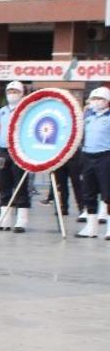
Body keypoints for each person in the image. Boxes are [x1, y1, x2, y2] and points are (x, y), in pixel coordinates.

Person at [0, 81, 31, 233]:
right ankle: (4, 219)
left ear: (21, 93)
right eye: (9, 91)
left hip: (19, 151)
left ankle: (22, 220)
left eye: (15, 91)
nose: (11, 94)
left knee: (20, 185)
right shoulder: (2, 111)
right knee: (4, 185)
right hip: (3, 150)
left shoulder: (26, 110)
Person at [76, 87, 110, 239]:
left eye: (99, 99)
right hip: (87, 156)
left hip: (105, 157)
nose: (95, 102)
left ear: (107, 101)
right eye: (93, 99)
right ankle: (91, 227)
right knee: (88, 193)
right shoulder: (87, 117)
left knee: (107, 193)